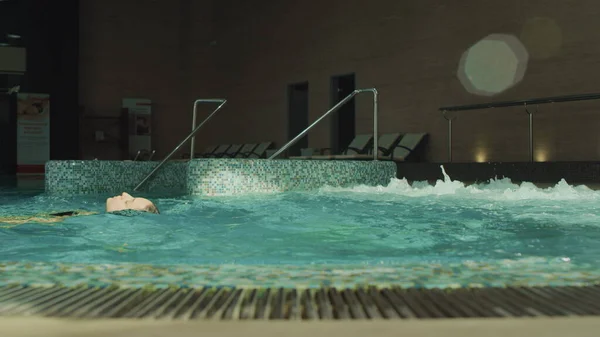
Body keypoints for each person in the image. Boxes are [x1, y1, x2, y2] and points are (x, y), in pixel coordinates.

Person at [0, 192, 159, 227]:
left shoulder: (92, 224)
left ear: (127, 214)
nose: (125, 194)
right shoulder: (86, 216)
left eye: (129, 200)